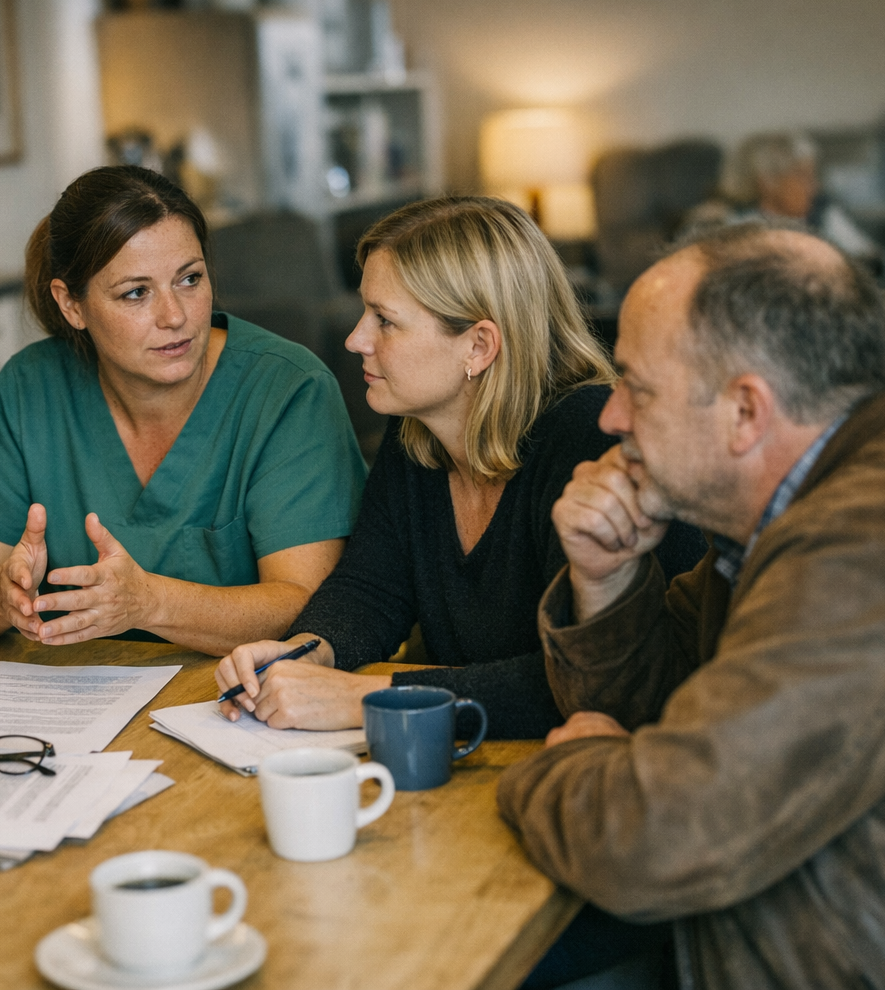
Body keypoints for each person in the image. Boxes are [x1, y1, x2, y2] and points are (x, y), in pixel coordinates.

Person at [497, 222, 885, 988]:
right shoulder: (793, 512)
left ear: (744, 413)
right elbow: (665, 712)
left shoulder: (866, 552)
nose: (610, 419)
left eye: (637, 385)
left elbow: (654, 837)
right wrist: (604, 579)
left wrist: (566, 762)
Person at [214, 197, 706, 738]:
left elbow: (592, 680)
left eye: (385, 321)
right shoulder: (416, 434)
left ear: (478, 345)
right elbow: (369, 591)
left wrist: (372, 698)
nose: (356, 340)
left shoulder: (593, 442)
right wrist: (305, 654)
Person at [0, 165, 367, 653]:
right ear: (70, 305)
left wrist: (147, 602)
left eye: (189, 279)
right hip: (74, 706)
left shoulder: (288, 391)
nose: (175, 316)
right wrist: (1, 594)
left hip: (235, 704)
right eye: (136, 292)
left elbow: (309, 605)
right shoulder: (30, 388)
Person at [684, 131, 877, 260]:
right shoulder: (738, 225)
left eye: (813, 176)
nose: (815, 187)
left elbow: (869, 258)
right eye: (803, 177)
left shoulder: (823, 214)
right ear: (768, 183)